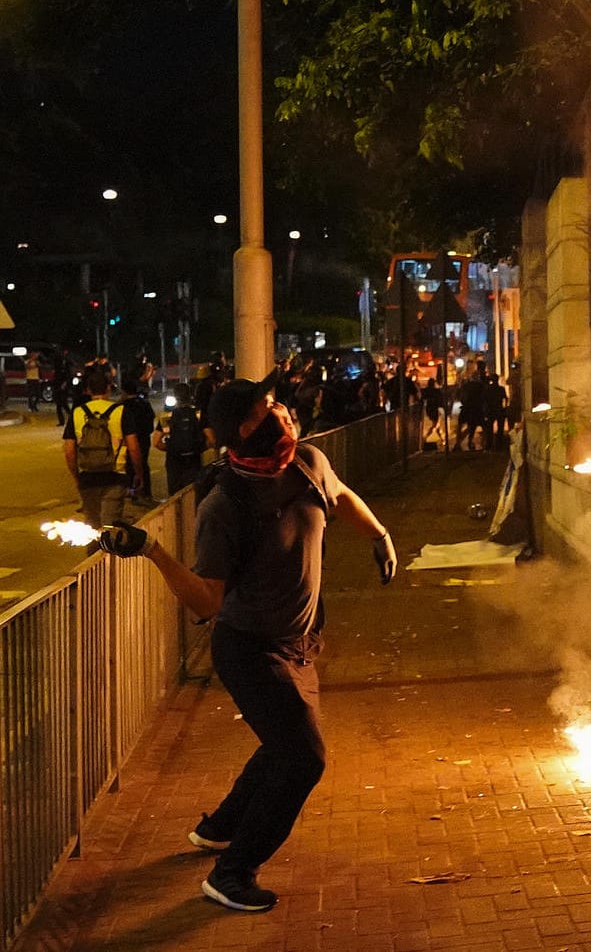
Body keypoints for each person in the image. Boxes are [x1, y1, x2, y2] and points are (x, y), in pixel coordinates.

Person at [95, 375, 397, 913]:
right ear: (244, 429)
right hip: (250, 650)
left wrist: (379, 536)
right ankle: (233, 871)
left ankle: (220, 827)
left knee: (283, 743)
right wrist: (155, 553)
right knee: (303, 758)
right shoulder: (225, 505)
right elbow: (208, 602)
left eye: (276, 401)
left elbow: (342, 495)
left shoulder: (306, 461)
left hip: (301, 643)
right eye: (267, 408)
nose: (281, 410)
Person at [61, 366, 133, 538]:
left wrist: (76, 475)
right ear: (108, 388)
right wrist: (138, 473)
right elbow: (134, 447)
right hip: (115, 475)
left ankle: (94, 560)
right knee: (110, 527)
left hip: (88, 476)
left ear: (87, 390)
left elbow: (69, 450)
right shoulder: (120, 411)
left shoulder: (78, 413)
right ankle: (110, 560)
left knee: (92, 528)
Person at [154, 382, 211, 493]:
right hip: (194, 460)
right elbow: (212, 440)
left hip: (174, 461)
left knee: (175, 494)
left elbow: (156, 442)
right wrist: (201, 448)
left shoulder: (167, 417)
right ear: (190, 395)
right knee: (193, 492)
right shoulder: (198, 415)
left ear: (175, 396)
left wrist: (170, 448)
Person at [121, 366, 158, 506]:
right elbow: (151, 419)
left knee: (130, 464)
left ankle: (132, 490)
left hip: (129, 439)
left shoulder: (123, 406)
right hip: (143, 438)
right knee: (143, 464)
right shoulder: (143, 403)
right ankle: (145, 492)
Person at [52, 351, 75, 425]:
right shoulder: (58, 365)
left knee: (63, 403)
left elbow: (68, 375)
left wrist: (65, 384)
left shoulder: (66, 364)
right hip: (58, 384)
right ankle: (62, 421)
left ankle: (70, 418)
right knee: (60, 404)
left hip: (63, 385)